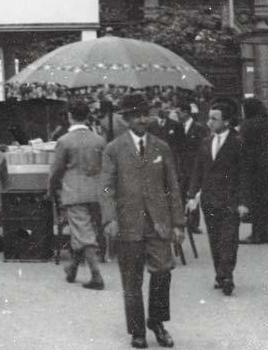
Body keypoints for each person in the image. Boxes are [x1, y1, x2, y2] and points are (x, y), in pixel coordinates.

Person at [101, 93, 184, 349]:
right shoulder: (113, 149)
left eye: (145, 114)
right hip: (128, 223)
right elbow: (106, 188)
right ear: (125, 119)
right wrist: (109, 219)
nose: (142, 119)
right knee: (131, 279)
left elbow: (172, 186)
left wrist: (178, 223)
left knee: (162, 271)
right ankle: (137, 331)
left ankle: (156, 322)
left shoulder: (161, 147)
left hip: (158, 223)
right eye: (136, 115)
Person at [186, 102, 250, 296]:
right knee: (214, 238)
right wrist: (191, 195)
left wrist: (243, 202)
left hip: (231, 199)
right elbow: (198, 170)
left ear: (227, 121)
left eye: (214, 118)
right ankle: (220, 274)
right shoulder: (206, 142)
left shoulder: (238, 142)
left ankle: (227, 274)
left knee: (229, 238)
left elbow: (245, 174)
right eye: (209, 118)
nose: (209, 122)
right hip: (209, 199)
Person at [48, 99, 106, 290]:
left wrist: (52, 187)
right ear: (87, 116)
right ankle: (72, 268)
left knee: (83, 233)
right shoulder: (99, 140)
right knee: (82, 231)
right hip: (96, 191)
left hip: (73, 192)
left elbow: (56, 170)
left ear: (70, 117)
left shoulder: (64, 141)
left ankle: (96, 274)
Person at [239, 98, 268, 244]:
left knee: (256, 201)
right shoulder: (265, 121)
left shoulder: (248, 125)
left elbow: (243, 147)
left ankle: (257, 234)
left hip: (254, 168)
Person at [176, 100, 207, 234]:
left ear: (186, 112)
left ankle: (193, 224)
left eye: (179, 112)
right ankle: (181, 221)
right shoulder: (177, 127)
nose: (177, 114)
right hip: (180, 167)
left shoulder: (199, 128)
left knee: (192, 194)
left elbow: (203, 148)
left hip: (194, 167)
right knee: (180, 195)